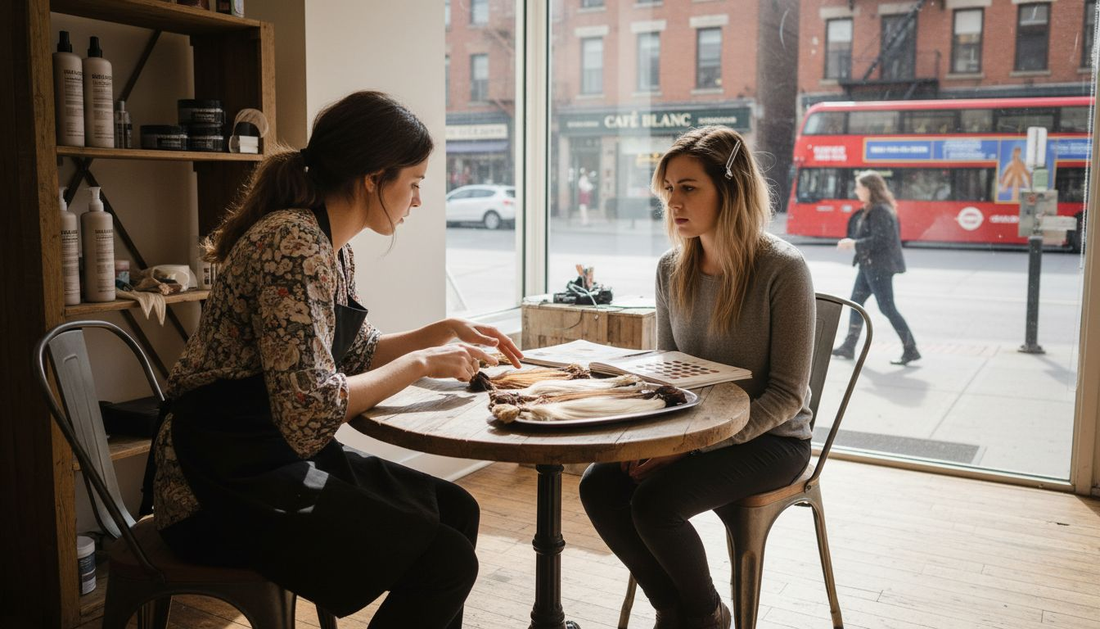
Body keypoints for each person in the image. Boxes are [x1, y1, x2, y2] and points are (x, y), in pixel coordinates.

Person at [147, 91, 523, 628]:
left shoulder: (331, 246)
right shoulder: (293, 245)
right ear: (375, 178)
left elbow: (357, 351)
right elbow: (312, 414)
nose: (417, 200)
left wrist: (440, 332)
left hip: (266, 455)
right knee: (444, 561)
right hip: (214, 488)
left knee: (456, 510)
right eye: (413, 182)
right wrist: (421, 364)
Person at [578, 126, 815, 629]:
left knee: (656, 504)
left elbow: (788, 394)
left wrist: (690, 448)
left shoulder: (783, 269)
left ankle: (702, 616)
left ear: (730, 190)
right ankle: (682, 610)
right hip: (693, 427)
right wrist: (653, 436)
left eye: (688, 188)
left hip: (772, 438)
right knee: (598, 484)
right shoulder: (671, 267)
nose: (674, 202)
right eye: (668, 189)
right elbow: (668, 371)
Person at [832, 170, 920, 365]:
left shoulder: (880, 210)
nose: (856, 191)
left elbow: (881, 239)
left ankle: (910, 348)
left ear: (869, 188)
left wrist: (853, 244)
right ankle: (849, 345)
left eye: (858, 187)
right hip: (869, 265)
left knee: (887, 307)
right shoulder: (876, 207)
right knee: (856, 302)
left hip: (878, 267)